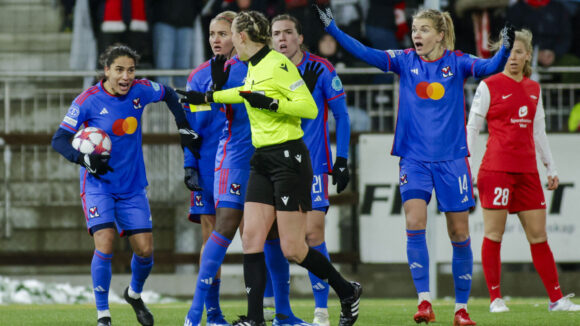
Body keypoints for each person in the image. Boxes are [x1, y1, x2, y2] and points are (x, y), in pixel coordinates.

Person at [313, 4, 515, 325]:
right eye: (414, 29)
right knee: (414, 222)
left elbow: (490, 68)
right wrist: (334, 30)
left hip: (452, 160)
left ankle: (461, 310)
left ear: (440, 35)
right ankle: (424, 303)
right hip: (414, 158)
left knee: (459, 232)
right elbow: (366, 52)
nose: (416, 35)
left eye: (423, 30)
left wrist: (505, 48)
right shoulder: (404, 61)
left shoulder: (458, 62)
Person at [177, 10, 362, 326]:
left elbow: (308, 106)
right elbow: (244, 94)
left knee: (293, 247)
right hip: (261, 161)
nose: (226, 40)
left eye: (231, 34)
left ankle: (346, 290)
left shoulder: (278, 65)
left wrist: (274, 104)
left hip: (288, 159)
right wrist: (206, 96)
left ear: (242, 37)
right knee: (251, 238)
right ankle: (254, 319)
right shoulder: (253, 65)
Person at [51, 44, 201, 326]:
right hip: (99, 185)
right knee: (105, 244)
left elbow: (168, 93)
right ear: (106, 70)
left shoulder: (141, 90)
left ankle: (134, 294)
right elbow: (59, 139)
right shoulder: (87, 101)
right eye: (119, 69)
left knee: (145, 251)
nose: (126, 76)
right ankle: (103, 315)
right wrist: (83, 159)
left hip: (132, 186)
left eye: (130, 70)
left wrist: (182, 125)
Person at [466, 29, 580, 314]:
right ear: (500, 54)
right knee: (494, 235)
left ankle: (556, 299)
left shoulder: (533, 88)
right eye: (508, 52)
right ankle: (495, 299)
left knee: (539, 236)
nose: (513, 57)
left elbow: (538, 131)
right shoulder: (488, 85)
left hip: (527, 172)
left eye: (518, 51)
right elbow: (472, 129)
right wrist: (465, 168)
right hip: (497, 170)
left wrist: (550, 167)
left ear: (528, 54)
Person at [271, 14, 351, 326]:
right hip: (276, 165)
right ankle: (281, 310)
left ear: (300, 38)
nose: (282, 39)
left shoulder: (321, 68)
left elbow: (342, 116)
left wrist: (341, 159)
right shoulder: (265, 71)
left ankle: (321, 310)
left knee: (312, 232)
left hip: (312, 164)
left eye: (288, 32)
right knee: (276, 238)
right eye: (276, 33)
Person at [181, 10, 247, 326]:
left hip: (244, 161)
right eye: (211, 34)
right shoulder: (198, 76)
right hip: (209, 164)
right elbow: (190, 127)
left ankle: (259, 310)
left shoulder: (252, 71)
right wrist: (188, 164)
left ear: (238, 36)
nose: (216, 40)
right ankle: (213, 312)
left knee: (254, 235)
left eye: (222, 33)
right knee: (211, 237)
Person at [151, 0, 202, 87]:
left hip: (187, 21)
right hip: (163, 19)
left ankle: (182, 96)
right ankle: (161, 96)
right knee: (163, 64)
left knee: (183, 64)